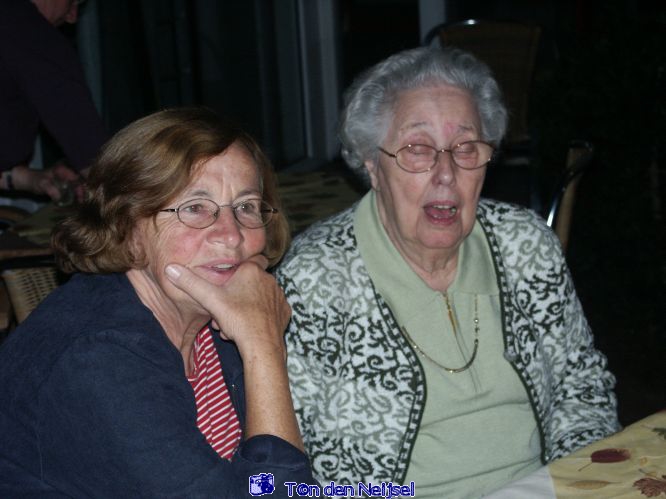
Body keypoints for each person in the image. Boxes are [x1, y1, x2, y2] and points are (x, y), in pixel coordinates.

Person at [274, 46, 620, 497]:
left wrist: (581, 485)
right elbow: (283, 466)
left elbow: (582, 385)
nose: (446, 173)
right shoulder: (316, 278)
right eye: (417, 150)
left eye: (466, 148)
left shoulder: (525, 245)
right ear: (372, 165)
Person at [0, 107, 314, 497]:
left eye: (246, 206)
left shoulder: (210, 314)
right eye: (195, 208)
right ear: (126, 226)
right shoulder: (101, 359)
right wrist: (264, 346)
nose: (231, 235)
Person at [0, 0, 108, 201]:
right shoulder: (23, 23)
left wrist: (29, 179)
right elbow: (85, 139)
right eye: (73, 2)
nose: (72, 17)